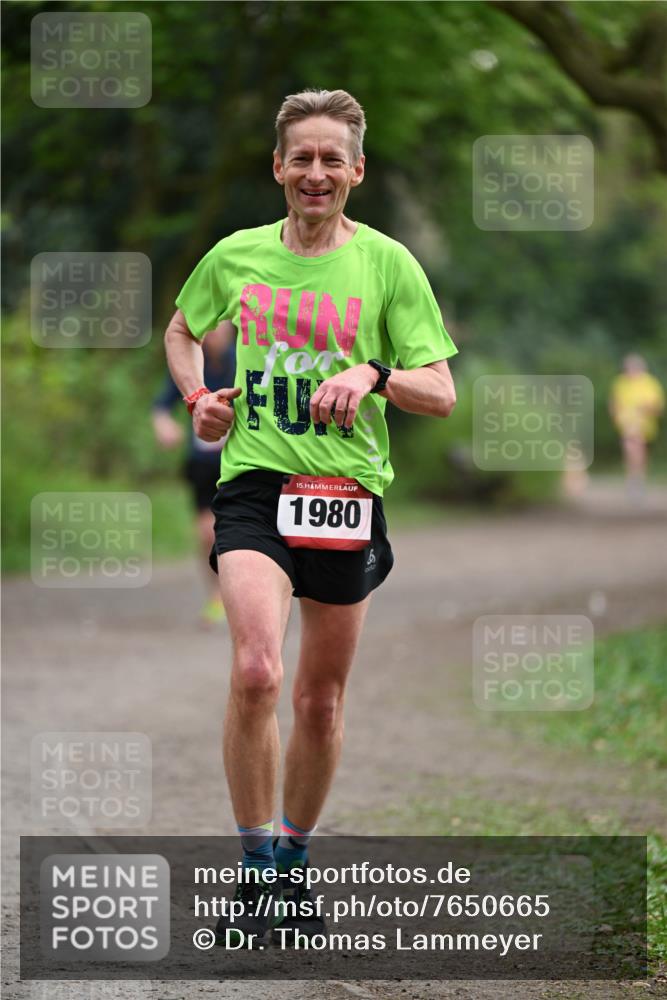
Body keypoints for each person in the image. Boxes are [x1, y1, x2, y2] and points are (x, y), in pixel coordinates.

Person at [164, 88, 457, 947]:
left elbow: (440, 391)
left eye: (333, 158)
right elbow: (181, 330)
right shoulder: (237, 255)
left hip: (345, 495)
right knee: (257, 671)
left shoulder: (388, 266)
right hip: (255, 486)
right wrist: (198, 398)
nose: (316, 172)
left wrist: (373, 374)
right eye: (302, 157)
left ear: (356, 171)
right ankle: (256, 871)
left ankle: (292, 863)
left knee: (319, 702)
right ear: (278, 168)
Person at [152, 320, 236, 625]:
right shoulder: (190, 362)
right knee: (207, 533)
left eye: (220, 330)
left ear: (231, 331)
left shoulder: (245, 359)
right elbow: (161, 405)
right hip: (202, 461)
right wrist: (164, 425)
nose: (213, 336)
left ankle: (248, 594)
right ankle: (216, 595)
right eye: (208, 330)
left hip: (240, 461)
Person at [609, 354, 664, 498]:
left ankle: (636, 478)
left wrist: (645, 408)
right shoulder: (620, 382)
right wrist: (616, 414)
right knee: (632, 449)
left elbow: (657, 408)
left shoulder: (650, 383)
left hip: (645, 424)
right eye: (628, 368)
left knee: (637, 451)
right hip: (626, 424)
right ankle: (635, 479)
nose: (631, 372)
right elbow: (614, 402)